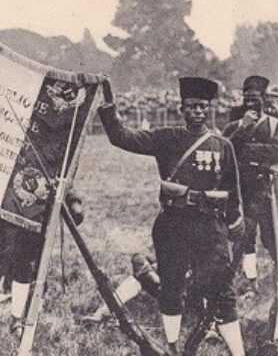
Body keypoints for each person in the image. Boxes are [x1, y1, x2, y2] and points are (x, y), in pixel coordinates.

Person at [98, 76, 246, 355]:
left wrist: (235, 221)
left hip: (210, 227)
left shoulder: (222, 145)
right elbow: (121, 137)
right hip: (172, 225)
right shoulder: (166, 138)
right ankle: (172, 347)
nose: (198, 112)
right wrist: (108, 104)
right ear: (182, 108)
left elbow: (232, 187)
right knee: (171, 288)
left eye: (202, 106)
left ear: (210, 108)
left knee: (222, 291)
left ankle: (239, 352)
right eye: (191, 106)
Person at [0, 190, 84, 345]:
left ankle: (17, 322)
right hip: (4, 214)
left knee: (24, 268)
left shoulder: (59, 163)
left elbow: (64, 179)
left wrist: (73, 201)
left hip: (36, 219)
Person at [223, 76, 278, 340]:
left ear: (265, 99)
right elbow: (226, 150)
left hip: (268, 196)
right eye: (247, 98)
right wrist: (243, 130)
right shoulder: (235, 124)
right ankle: (236, 291)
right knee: (239, 242)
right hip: (242, 194)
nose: (251, 103)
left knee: (272, 242)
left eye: (256, 98)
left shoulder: (275, 124)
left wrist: (250, 153)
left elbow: (276, 151)